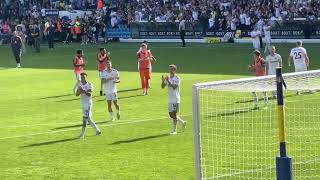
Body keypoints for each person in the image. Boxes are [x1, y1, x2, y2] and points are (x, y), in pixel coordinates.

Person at [161, 64, 186, 135]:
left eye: (172, 69)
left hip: (175, 98)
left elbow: (174, 87)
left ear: (175, 70)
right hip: (170, 99)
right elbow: (162, 87)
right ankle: (183, 122)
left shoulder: (177, 78)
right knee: (171, 115)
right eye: (170, 69)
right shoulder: (167, 77)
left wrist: (168, 81)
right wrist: (163, 81)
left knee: (174, 114)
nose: (170, 70)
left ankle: (174, 130)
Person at [75, 72, 101, 139]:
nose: (83, 78)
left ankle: (82, 134)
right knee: (88, 119)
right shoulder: (80, 84)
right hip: (83, 104)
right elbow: (76, 94)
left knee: (85, 119)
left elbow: (89, 94)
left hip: (88, 104)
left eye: (84, 77)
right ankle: (98, 130)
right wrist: (79, 91)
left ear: (86, 77)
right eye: (81, 78)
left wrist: (83, 90)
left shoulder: (90, 84)